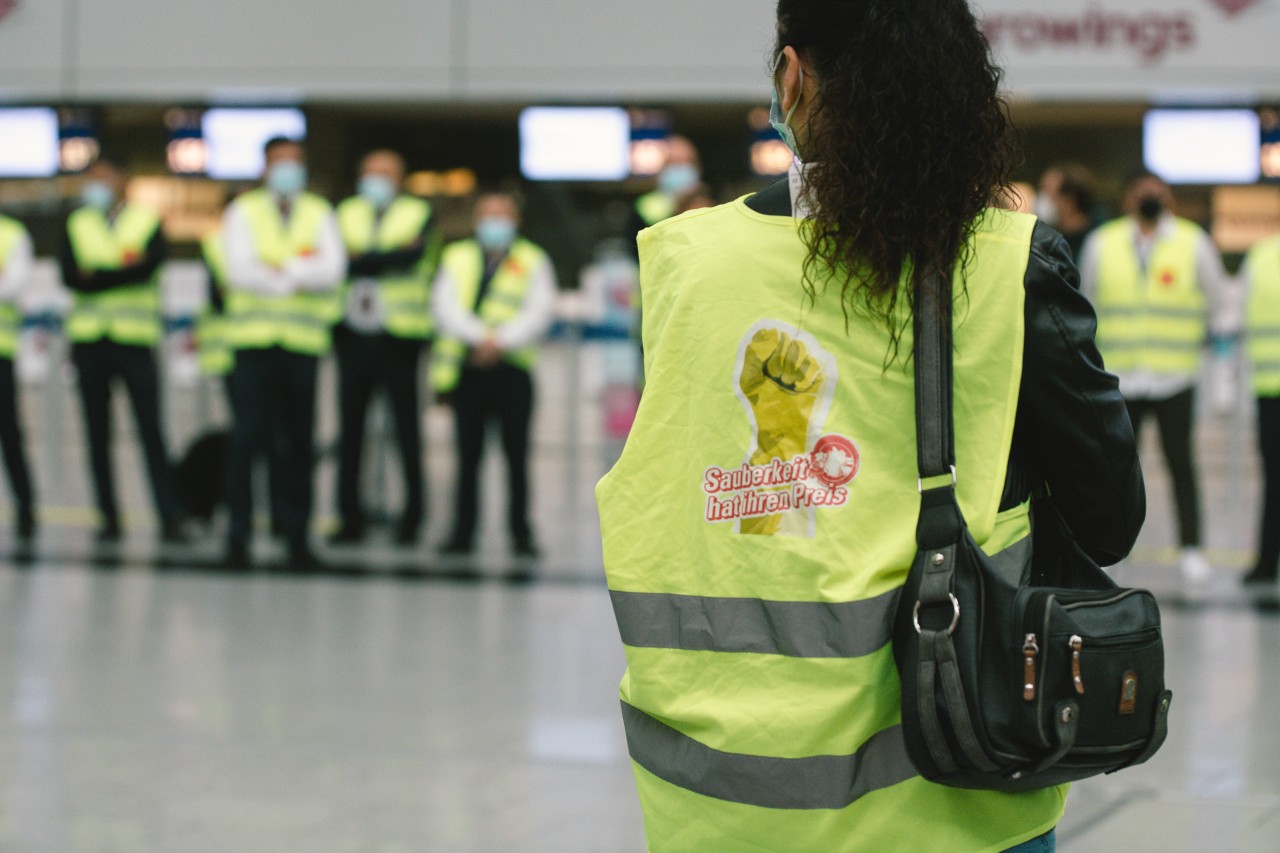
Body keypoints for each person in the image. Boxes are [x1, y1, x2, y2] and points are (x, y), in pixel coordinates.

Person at [596, 2, 1144, 851]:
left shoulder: (683, 260)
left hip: (718, 806)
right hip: (955, 801)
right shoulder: (1006, 263)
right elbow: (1110, 518)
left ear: (791, 78)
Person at [1079, 170, 1228, 588]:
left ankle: (1192, 549)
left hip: (1174, 375)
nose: (1148, 200)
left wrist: (1218, 369)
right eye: (1141, 193)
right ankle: (1111, 550)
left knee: (1182, 463)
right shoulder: (1103, 243)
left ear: (1169, 200)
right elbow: (1085, 306)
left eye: (1156, 194)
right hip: (1120, 377)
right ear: (1128, 199)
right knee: (1116, 469)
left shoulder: (1192, 242)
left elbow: (1218, 303)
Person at [221, 137, 346, 569]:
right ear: (264, 167)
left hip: (302, 346)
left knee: (297, 445)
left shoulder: (319, 212)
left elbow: (333, 270)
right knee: (246, 443)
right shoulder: (243, 211)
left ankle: (296, 538)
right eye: (280, 162)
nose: (287, 169)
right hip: (253, 345)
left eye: (295, 162)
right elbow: (238, 270)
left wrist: (278, 270)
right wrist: (297, 274)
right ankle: (237, 538)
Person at [59, 157, 185, 543]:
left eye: (102, 178)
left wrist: (97, 274)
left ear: (121, 180)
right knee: (97, 433)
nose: (95, 186)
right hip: (90, 341)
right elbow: (70, 278)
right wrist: (119, 272)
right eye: (89, 179)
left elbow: (148, 269)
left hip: (134, 340)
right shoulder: (76, 223)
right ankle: (108, 518)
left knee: (150, 431)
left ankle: (169, 517)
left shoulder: (146, 220)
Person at [431, 192, 556, 557]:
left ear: (516, 220)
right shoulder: (456, 257)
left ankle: (520, 534)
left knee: (516, 456)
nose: (495, 221)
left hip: (512, 372)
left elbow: (539, 310)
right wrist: (479, 339)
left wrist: (498, 342)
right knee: (467, 456)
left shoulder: (533, 260)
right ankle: (462, 533)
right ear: (475, 220)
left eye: (502, 214)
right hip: (469, 371)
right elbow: (444, 306)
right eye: (487, 214)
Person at [331, 149, 441, 546]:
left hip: (400, 337)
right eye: (370, 172)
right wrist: (383, 258)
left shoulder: (417, 212)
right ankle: (348, 518)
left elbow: (412, 256)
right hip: (352, 336)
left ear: (401, 177)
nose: (377, 179)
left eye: (386, 173)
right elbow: (336, 261)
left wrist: (363, 258)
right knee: (351, 433)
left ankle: (412, 519)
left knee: (407, 432)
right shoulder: (344, 212)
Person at [1243, 231, 1280, 586]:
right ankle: (1267, 561)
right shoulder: (1261, 256)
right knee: (1274, 481)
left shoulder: (1262, 256)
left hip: (1270, 388)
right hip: (1270, 389)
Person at [0, 211, 36, 543]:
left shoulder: (11, 234)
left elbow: (11, 288)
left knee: (9, 433)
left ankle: (26, 509)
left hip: (1, 350)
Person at [625, 135, 702, 253]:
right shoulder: (645, 205)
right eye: (673, 162)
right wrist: (678, 203)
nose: (680, 169)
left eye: (685, 162)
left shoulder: (710, 205)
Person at [1036, 163, 1099, 261]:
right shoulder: (1045, 240)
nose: (1041, 198)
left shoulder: (1099, 241)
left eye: (1047, 190)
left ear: (1069, 200)